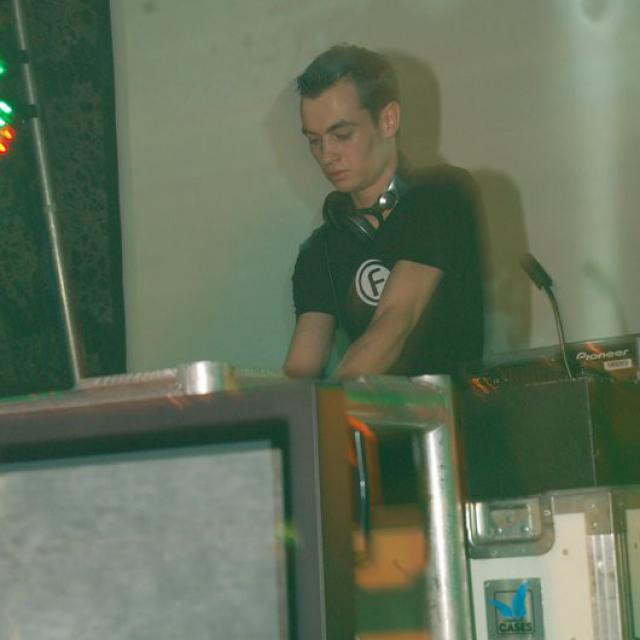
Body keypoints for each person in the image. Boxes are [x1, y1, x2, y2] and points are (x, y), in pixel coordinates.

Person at [283, 44, 484, 380]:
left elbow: (395, 322)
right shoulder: (321, 250)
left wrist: (332, 403)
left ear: (389, 120)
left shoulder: (442, 196)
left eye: (341, 135)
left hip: (456, 412)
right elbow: (301, 369)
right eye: (314, 141)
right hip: (369, 414)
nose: (326, 155)